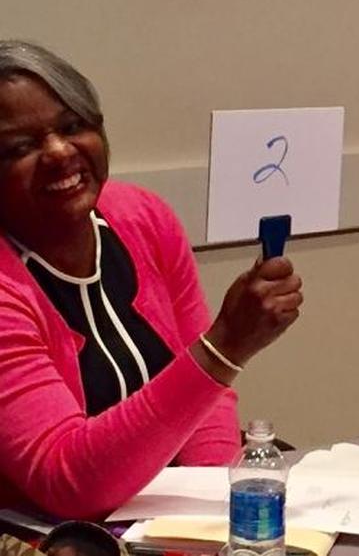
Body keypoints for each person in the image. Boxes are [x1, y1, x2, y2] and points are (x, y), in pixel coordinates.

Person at [0, 41, 303, 519]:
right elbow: (67, 479)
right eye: (21, 147)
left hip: (159, 525)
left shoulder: (142, 217)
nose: (59, 152)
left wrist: (212, 518)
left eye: (73, 125)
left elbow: (211, 404)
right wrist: (225, 346)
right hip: (50, 535)